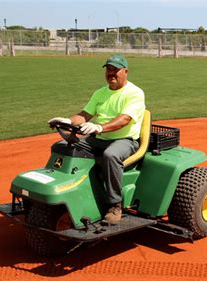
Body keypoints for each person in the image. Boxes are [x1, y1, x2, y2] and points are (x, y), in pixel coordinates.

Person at [48, 54, 145, 225]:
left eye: (115, 70)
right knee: (62, 146)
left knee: (110, 155)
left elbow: (124, 119)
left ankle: (115, 205)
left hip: (125, 140)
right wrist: (68, 122)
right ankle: (70, 189)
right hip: (98, 138)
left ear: (125, 71)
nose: (111, 73)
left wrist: (100, 127)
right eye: (108, 69)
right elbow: (84, 115)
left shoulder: (134, 93)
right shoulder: (100, 93)